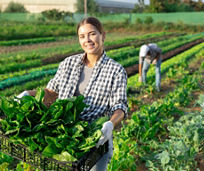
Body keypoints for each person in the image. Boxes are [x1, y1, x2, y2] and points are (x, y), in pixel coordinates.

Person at [17, 17, 128, 171]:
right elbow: (51, 92)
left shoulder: (116, 70)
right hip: (65, 138)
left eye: (92, 34)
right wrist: (28, 95)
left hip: (95, 140)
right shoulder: (68, 63)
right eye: (82, 36)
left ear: (103, 35)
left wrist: (110, 124)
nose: (87, 40)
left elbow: (120, 106)